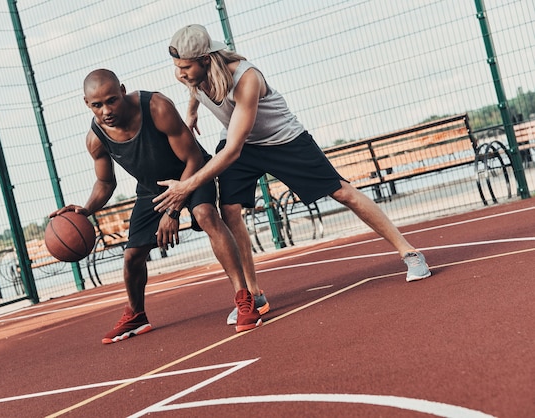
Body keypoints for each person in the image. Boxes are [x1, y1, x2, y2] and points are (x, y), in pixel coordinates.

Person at [153, 24, 431, 325]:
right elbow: (198, 92)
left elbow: (232, 150)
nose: (179, 74)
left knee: (341, 191)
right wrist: (192, 109)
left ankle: (410, 253)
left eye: (185, 67)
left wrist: (187, 186)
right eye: (176, 66)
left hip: (280, 140)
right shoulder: (193, 75)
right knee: (230, 210)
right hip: (239, 140)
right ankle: (254, 293)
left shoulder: (246, 78)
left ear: (206, 60)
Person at [51, 69, 262, 344]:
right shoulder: (96, 138)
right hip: (152, 190)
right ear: (86, 104)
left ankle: (244, 299)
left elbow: (194, 158)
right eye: (97, 105)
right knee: (132, 257)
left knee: (205, 214)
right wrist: (86, 210)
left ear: (123, 91)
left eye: (112, 100)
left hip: (193, 173)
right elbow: (105, 183)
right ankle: (136, 314)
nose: (106, 110)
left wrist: (173, 210)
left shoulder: (156, 108)